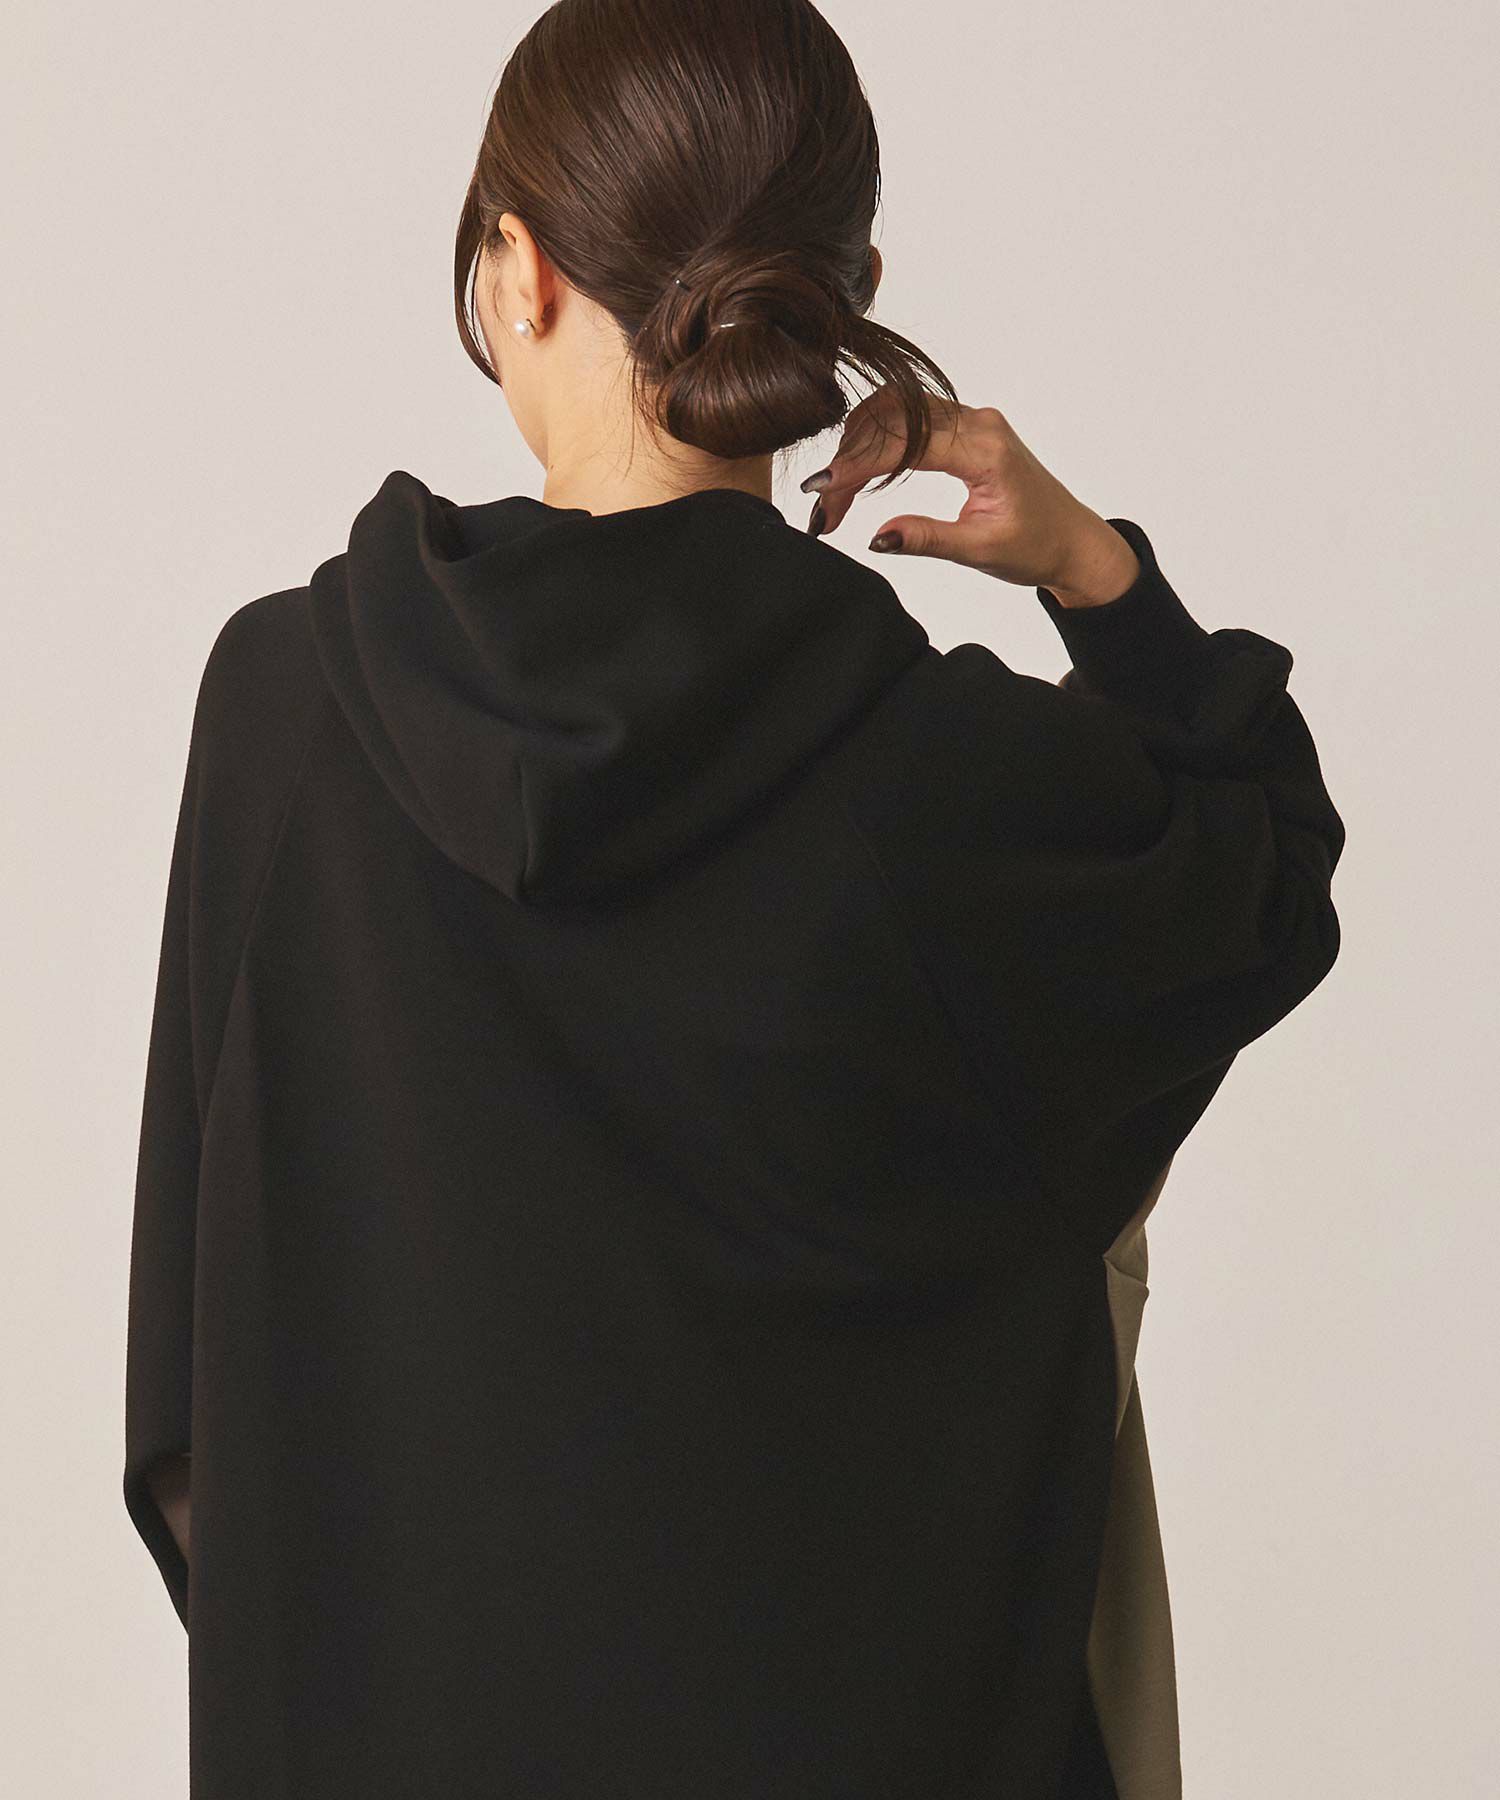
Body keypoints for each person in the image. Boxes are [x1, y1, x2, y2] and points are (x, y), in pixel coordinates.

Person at [122, 2, 1346, 1796]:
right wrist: (1092, 572)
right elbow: (1264, 865)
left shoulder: (285, 715)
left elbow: (195, 1429)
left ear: (518, 271)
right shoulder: (952, 785)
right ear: (843, 300)